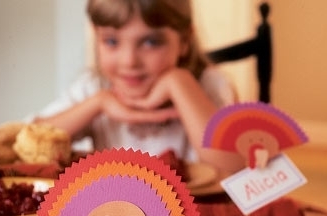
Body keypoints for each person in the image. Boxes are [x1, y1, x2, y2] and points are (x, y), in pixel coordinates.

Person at [33, 0, 244, 171]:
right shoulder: (95, 87)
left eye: (151, 42)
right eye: (112, 42)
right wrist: (98, 103)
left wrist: (180, 84)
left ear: (185, 41)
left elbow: (233, 167)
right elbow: (30, 142)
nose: (129, 61)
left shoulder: (210, 85)